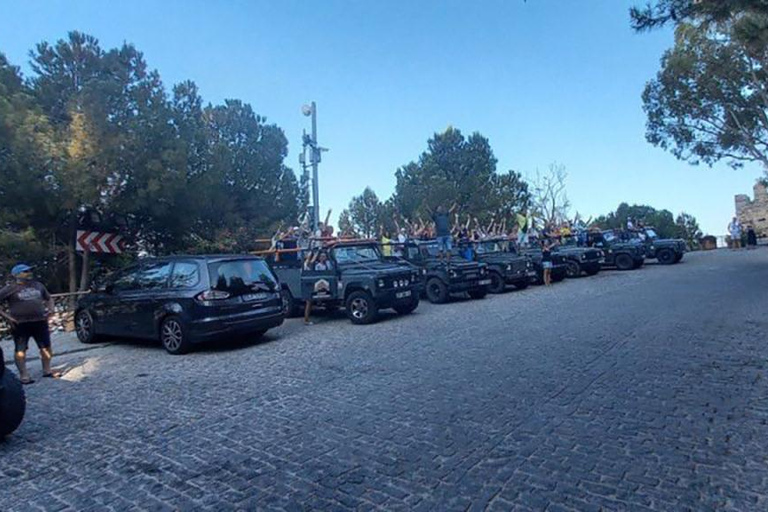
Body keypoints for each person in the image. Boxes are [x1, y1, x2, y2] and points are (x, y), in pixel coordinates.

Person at [0, 264, 58, 384]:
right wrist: (7, 317)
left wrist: (51, 310)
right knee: (21, 349)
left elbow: (49, 298)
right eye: (25, 271)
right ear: (17, 274)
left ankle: (47, 370)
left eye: (29, 271)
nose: (29, 273)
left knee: (46, 347)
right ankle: (24, 375)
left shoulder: (38, 285)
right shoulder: (10, 288)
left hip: (40, 321)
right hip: (20, 323)